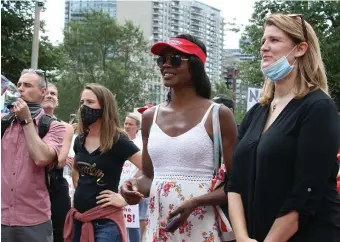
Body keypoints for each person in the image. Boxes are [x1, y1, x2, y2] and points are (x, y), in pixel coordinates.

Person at [226, 13, 340, 242]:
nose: (264, 48)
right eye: (263, 41)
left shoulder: (318, 107)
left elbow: (306, 194)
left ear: (300, 49)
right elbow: (234, 182)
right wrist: (241, 237)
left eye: (274, 40)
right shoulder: (256, 112)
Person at [121, 34, 237, 241]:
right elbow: (149, 178)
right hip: (160, 229)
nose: (166, 65)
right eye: (161, 60)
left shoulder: (218, 115)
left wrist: (195, 202)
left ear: (196, 66)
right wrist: (131, 186)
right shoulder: (149, 117)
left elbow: (236, 185)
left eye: (174, 59)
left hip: (202, 228)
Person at [63, 83, 142, 242]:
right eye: (82, 102)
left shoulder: (118, 141)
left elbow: (152, 170)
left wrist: (124, 198)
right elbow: (77, 169)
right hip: (79, 217)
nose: (84, 107)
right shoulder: (79, 140)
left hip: (106, 221)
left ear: (105, 107)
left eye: (90, 102)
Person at [1, 69, 66, 242]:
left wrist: (26, 121)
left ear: (42, 92)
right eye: (20, 84)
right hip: (2, 219)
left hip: (34, 221)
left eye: (28, 85)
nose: (21, 89)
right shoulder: (4, 122)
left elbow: (41, 158)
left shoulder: (54, 126)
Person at [42, 83, 74, 242]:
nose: (49, 96)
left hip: (56, 185)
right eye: (46, 93)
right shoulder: (28, 122)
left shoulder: (66, 127)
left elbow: (61, 161)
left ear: (57, 101)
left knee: (59, 230)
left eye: (53, 93)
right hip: (32, 184)